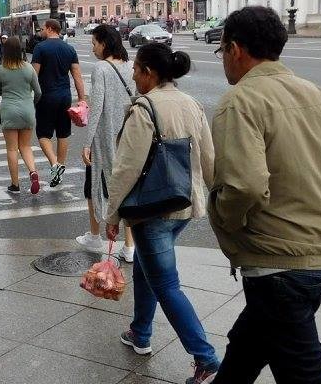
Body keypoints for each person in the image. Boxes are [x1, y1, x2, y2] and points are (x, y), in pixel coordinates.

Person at [209, 6, 321, 384]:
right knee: (246, 347)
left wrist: (227, 218)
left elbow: (245, 186)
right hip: (320, 258)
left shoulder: (240, 100)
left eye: (221, 51)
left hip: (277, 265)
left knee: (304, 372)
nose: (223, 61)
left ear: (235, 49)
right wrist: (308, 202)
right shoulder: (317, 94)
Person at [104, 43, 220, 384]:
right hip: (183, 204)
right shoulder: (191, 103)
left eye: (136, 70)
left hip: (151, 209)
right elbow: (209, 157)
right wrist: (214, 195)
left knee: (167, 285)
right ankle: (140, 333)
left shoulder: (145, 108)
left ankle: (206, 358)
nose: (133, 76)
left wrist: (112, 215)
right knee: (146, 269)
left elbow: (126, 168)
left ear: (149, 72)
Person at [77, 24, 136, 261]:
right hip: (127, 137)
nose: (92, 48)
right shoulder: (130, 66)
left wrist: (87, 143)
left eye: (94, 43)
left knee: (94, 185)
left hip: (105, 139)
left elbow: (97, 108)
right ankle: (129, 246)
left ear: (104, 43)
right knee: (126, 188)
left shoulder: (101, 68)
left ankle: (95, 235)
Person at [31, 18, 86, 187]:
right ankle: (59, 170)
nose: (41, 31)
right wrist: (82, 99)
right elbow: (77, 76)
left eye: (42, 29)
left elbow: (33, 75)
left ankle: (55, 163)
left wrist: (29, 95)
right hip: (64, 96)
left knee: (43, 134)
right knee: (63, 133)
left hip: (45, 96)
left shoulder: (40, 48)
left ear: (49, 29)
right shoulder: (69, 49)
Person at [0, 36, 42, 194]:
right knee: (26, 146)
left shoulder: (2, 70)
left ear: (6, 51)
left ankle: (15, 184)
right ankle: (33, 172)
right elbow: (38, 92)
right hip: (27, 110)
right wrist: (31, 104)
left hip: (9, 111)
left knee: (12, 149)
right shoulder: (28, 68)